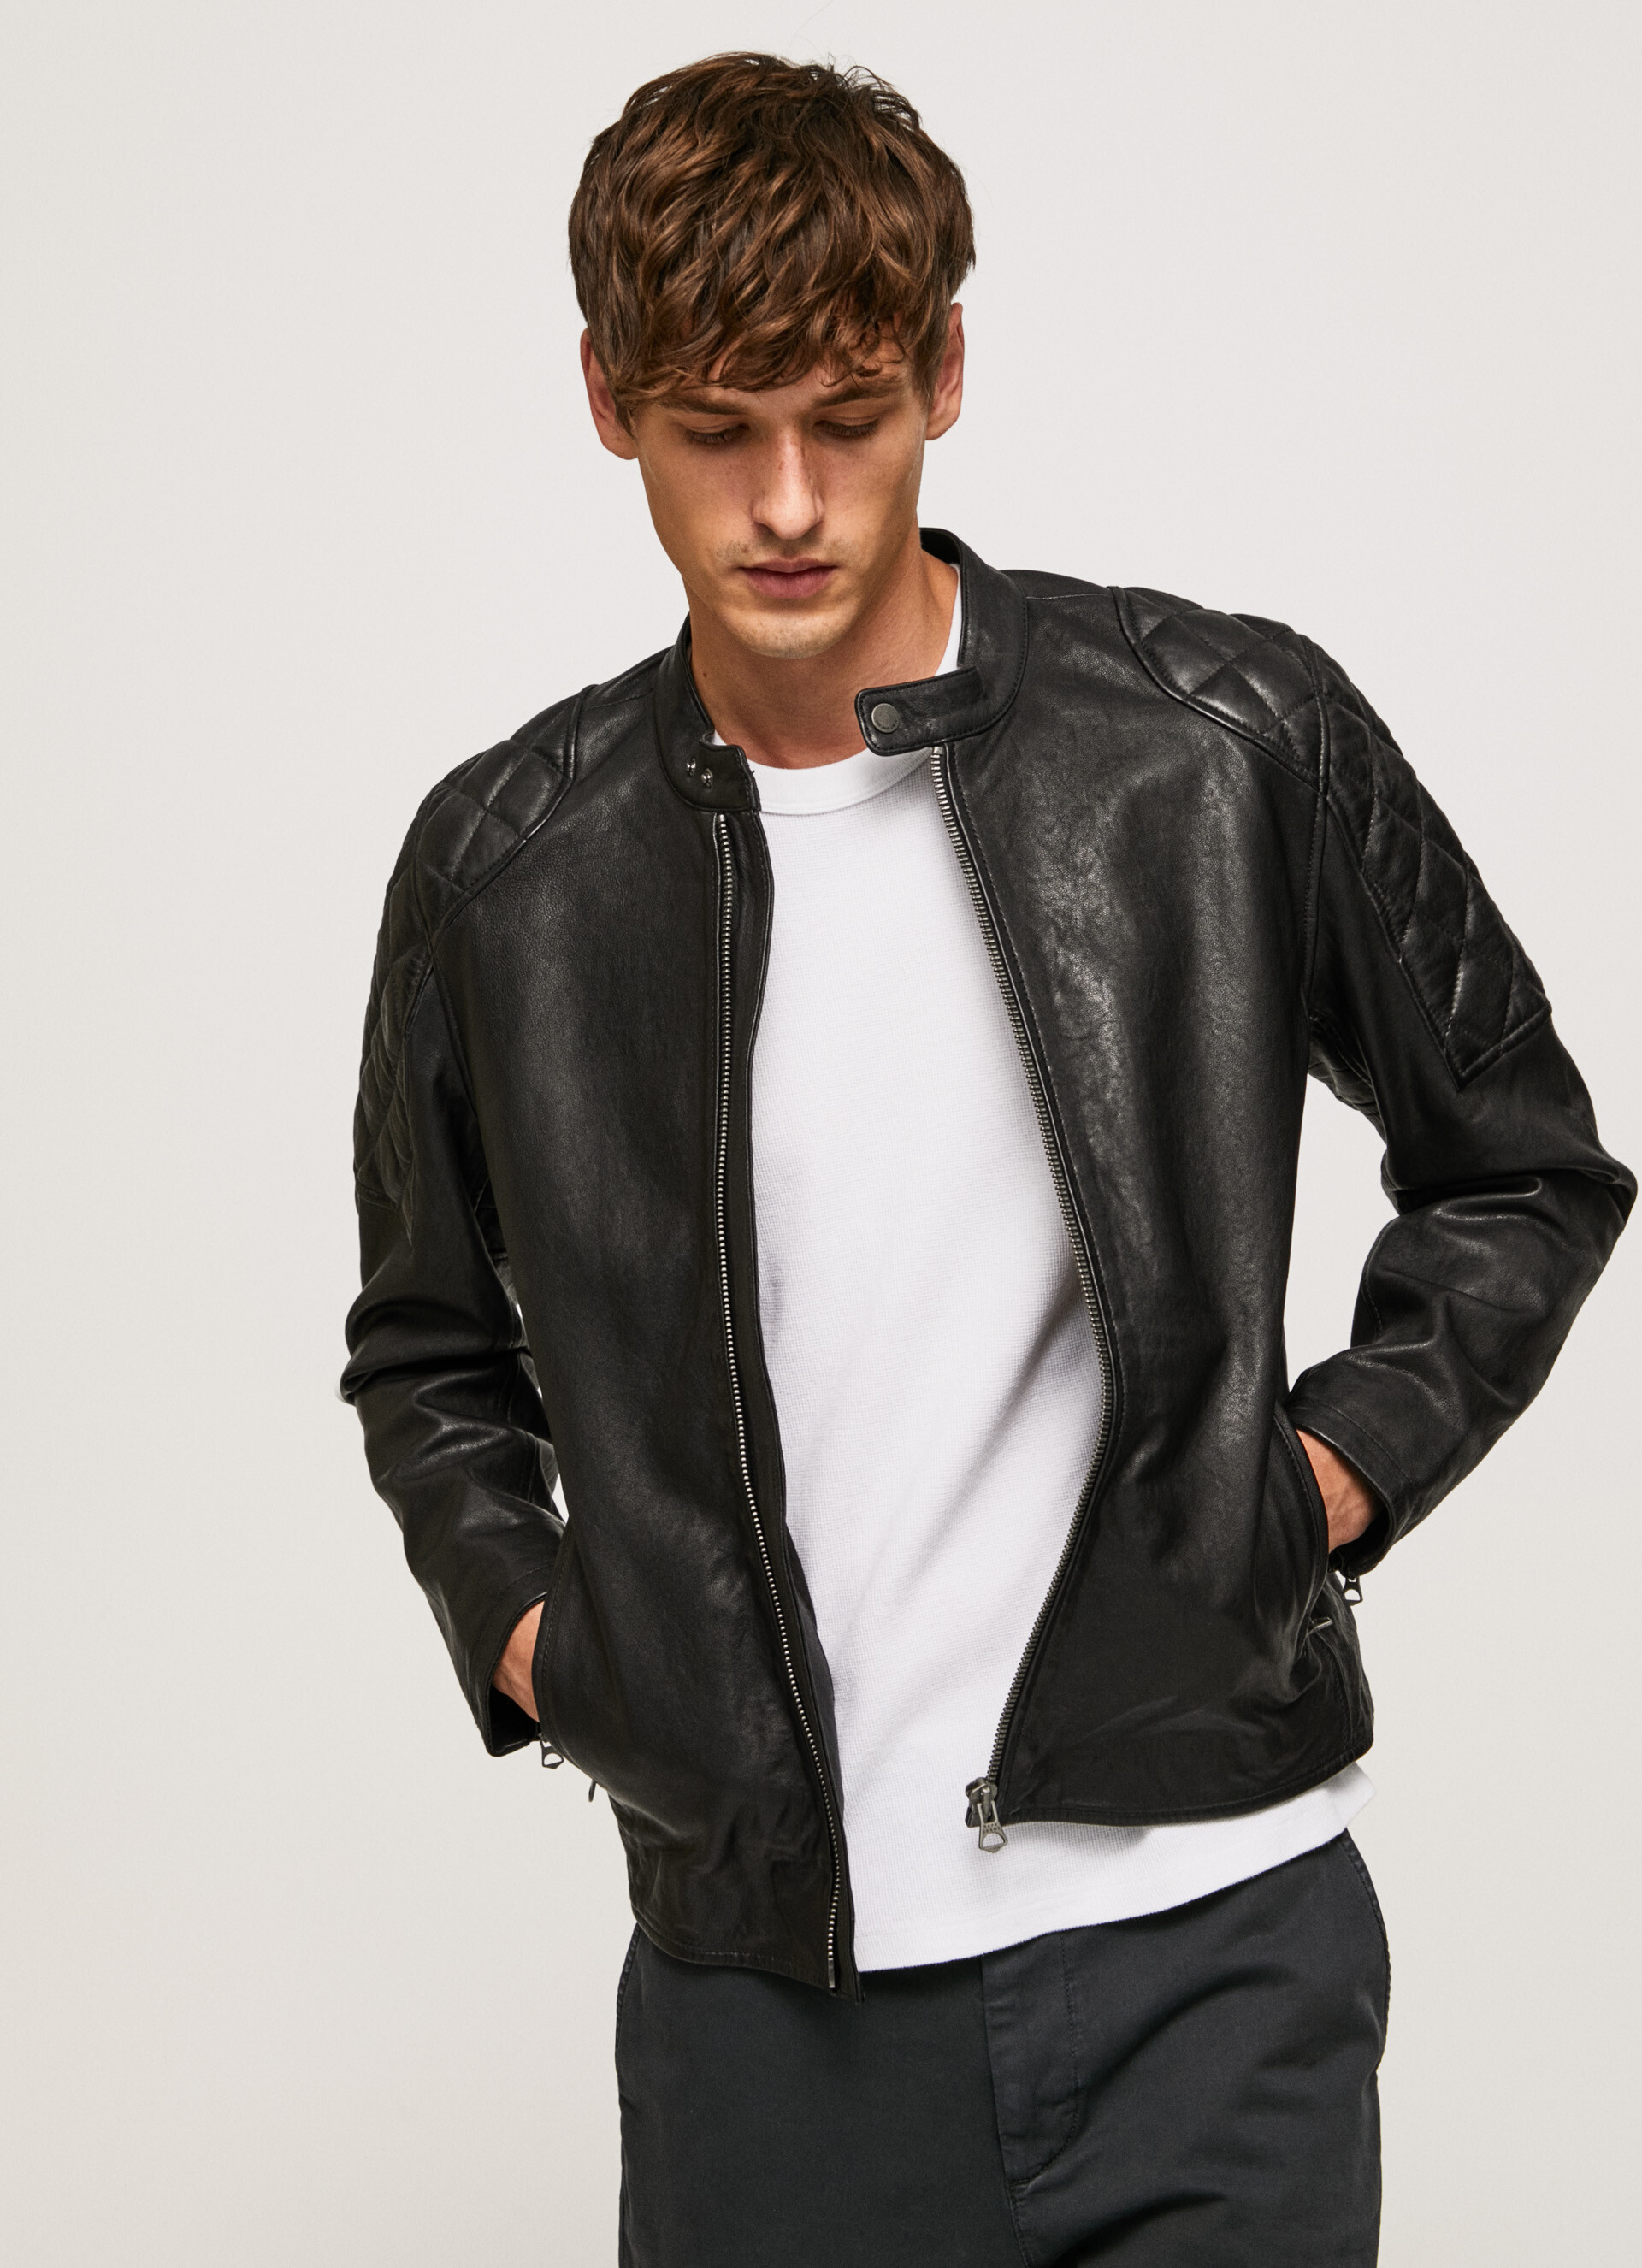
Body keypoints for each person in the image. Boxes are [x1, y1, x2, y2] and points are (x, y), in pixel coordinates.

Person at [341, 52, 1632, 2266]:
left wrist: (1319, 1484)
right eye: (715, 430)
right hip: (765, 1998)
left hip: (1213, 1943)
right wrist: (551, 1638)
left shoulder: (1221, 745)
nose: (787, 504)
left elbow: (1521, 1163)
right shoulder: (508, 870)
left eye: (848, 419)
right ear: (606, 402)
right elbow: (429, 1350)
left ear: (946, 370)